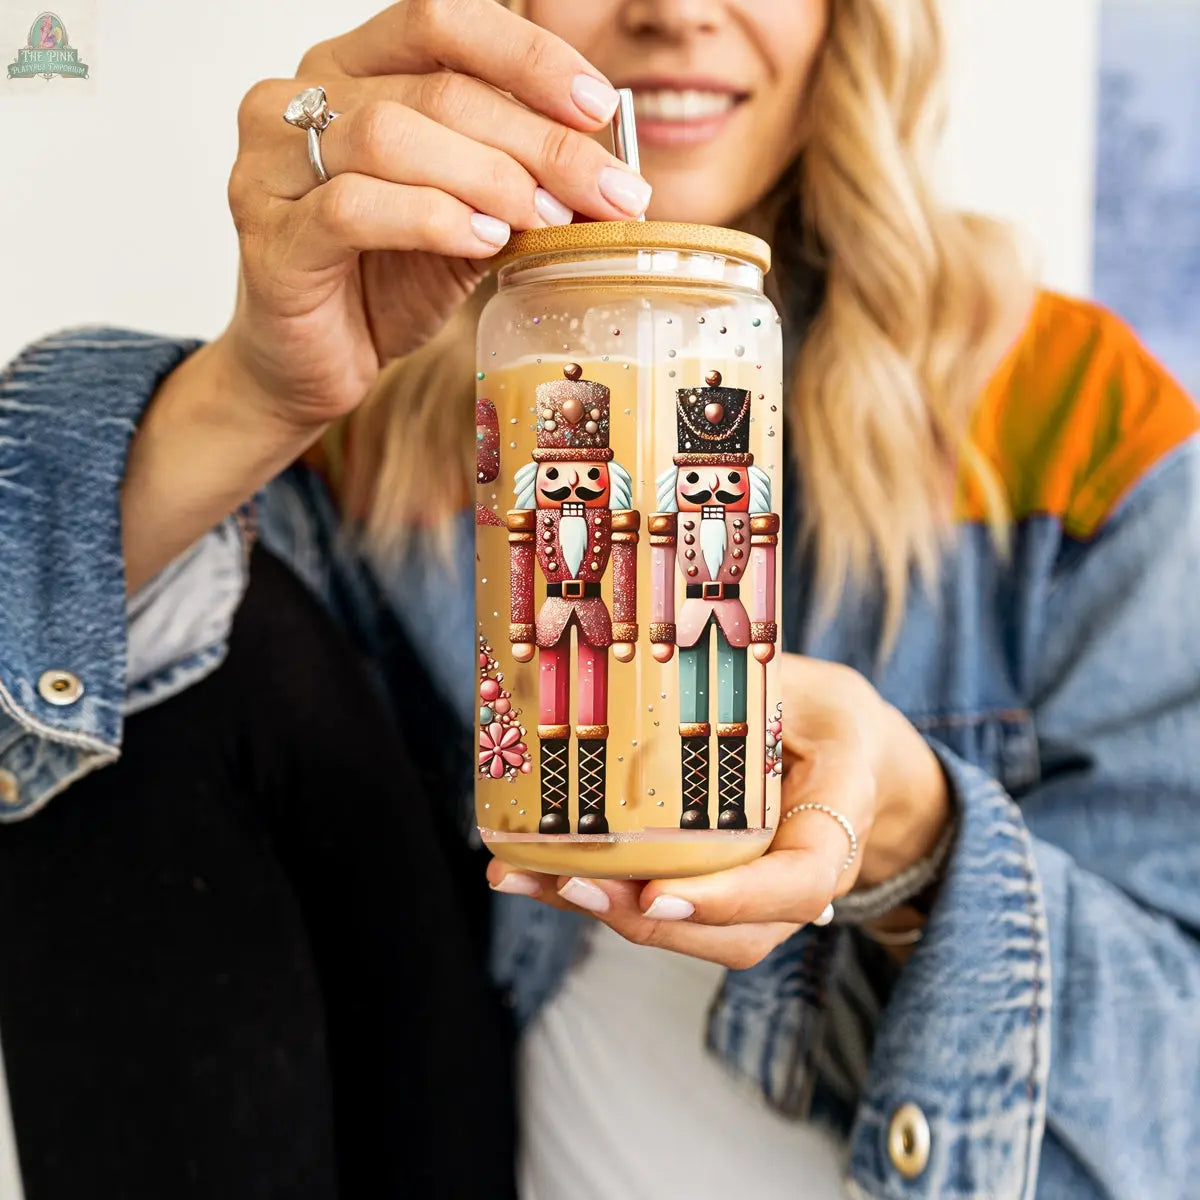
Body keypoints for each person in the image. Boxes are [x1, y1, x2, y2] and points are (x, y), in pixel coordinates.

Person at [2, 0, 1198, 1197]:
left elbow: (1178, 1083)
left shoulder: (1082, 432)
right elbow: (92, 731)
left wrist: (916, 838)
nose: (672, 12)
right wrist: (251, 393)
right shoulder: (380, 432)